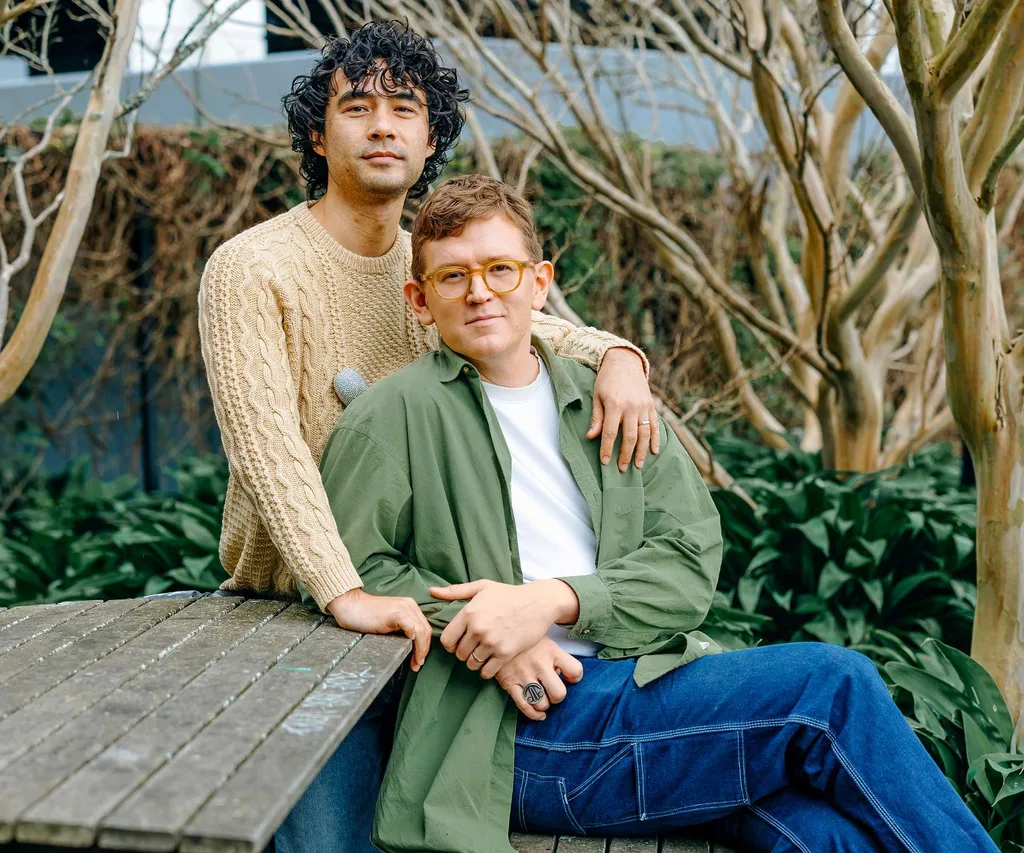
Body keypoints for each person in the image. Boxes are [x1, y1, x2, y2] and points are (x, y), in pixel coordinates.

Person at [318, 174, 999, 853]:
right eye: (453, 276)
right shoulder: (391, 415)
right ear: (419, 300)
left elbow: (688, 563)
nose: (480, 292)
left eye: (501, 269)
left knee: (820, 835)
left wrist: (554, 600)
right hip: (513, 734)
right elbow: (352, 573)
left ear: (538, 280)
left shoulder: (612, 404)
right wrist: (491, 631)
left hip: (645, 692)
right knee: (832, 686)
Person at [197, 20, 656, 853]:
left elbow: (526, 328)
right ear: (317, 132)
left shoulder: (435, 269)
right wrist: (344, 592)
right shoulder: (252, 267)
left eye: (405, 109)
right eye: (358, 106)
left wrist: (620, 354)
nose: (382, 125)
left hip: (428, 599)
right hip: (300, 609)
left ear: (431, 135)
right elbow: (269, 451)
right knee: (334, 836)